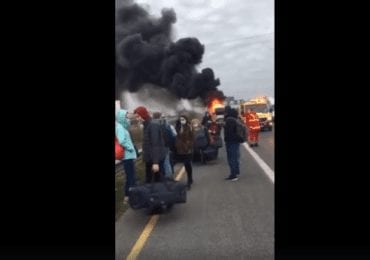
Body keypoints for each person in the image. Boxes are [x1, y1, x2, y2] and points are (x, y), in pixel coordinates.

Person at [134, 106, 167, 183]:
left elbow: (155, 145)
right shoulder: (147, 125)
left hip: (155, 160)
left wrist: (155, 163)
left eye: (138, 116)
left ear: (143, 115)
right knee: (151, 182)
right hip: (150, 159)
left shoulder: (152, 125)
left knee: (157, 182)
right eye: (136, 117)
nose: (137, 119)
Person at [116, 109, 137, 204]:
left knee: (130, 177)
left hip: (128, 155)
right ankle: (132, 197)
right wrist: (130, 148)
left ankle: (127, 196)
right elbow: (121, 140)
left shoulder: (122, 126)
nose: (128, 116)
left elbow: (127, 124)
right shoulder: (120, 127)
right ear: (121, 117)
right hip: (127, 155)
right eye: (126, 115)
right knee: (131, 177)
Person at [223, 108, 243, 181]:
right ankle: (236, 172)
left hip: (231, 142)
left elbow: (230, 132)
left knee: (232, 158)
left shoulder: (229, 120)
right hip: (235, 141)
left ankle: (233, 175)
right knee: (235, 157)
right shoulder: (235, 119)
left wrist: (224, 126)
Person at [175, 115, 194, 190]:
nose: (182, 120)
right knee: (186, 164)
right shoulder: (178, 127)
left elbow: (192, 138)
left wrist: (189, 145)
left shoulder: (189, 127)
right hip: (181, 150)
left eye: (183, 119)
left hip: (188, 149)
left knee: (187, 163)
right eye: (180, 119)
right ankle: (190, 178)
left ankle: (189, 180)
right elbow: (177, 137)